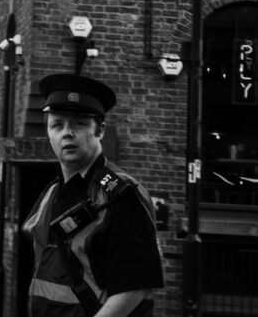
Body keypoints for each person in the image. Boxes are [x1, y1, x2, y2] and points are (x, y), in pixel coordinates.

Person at [22, 74, 163, 317]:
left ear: (100, 130)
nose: (67, 133)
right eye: (57, 124)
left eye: (79, 124)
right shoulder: (52, 193)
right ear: (48, 131)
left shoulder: (121, 194)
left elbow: (134, 287)